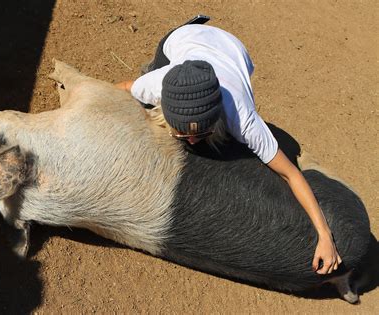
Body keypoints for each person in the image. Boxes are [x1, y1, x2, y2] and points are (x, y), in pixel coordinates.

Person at [115, 22, 342, 275]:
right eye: (180, 132)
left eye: (202, 132)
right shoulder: (158, 84)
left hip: (233, 50)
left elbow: (291, 173)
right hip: (182, 38)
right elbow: (122, 88)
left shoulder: (243, 118)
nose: (190, 141)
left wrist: (325, 235)